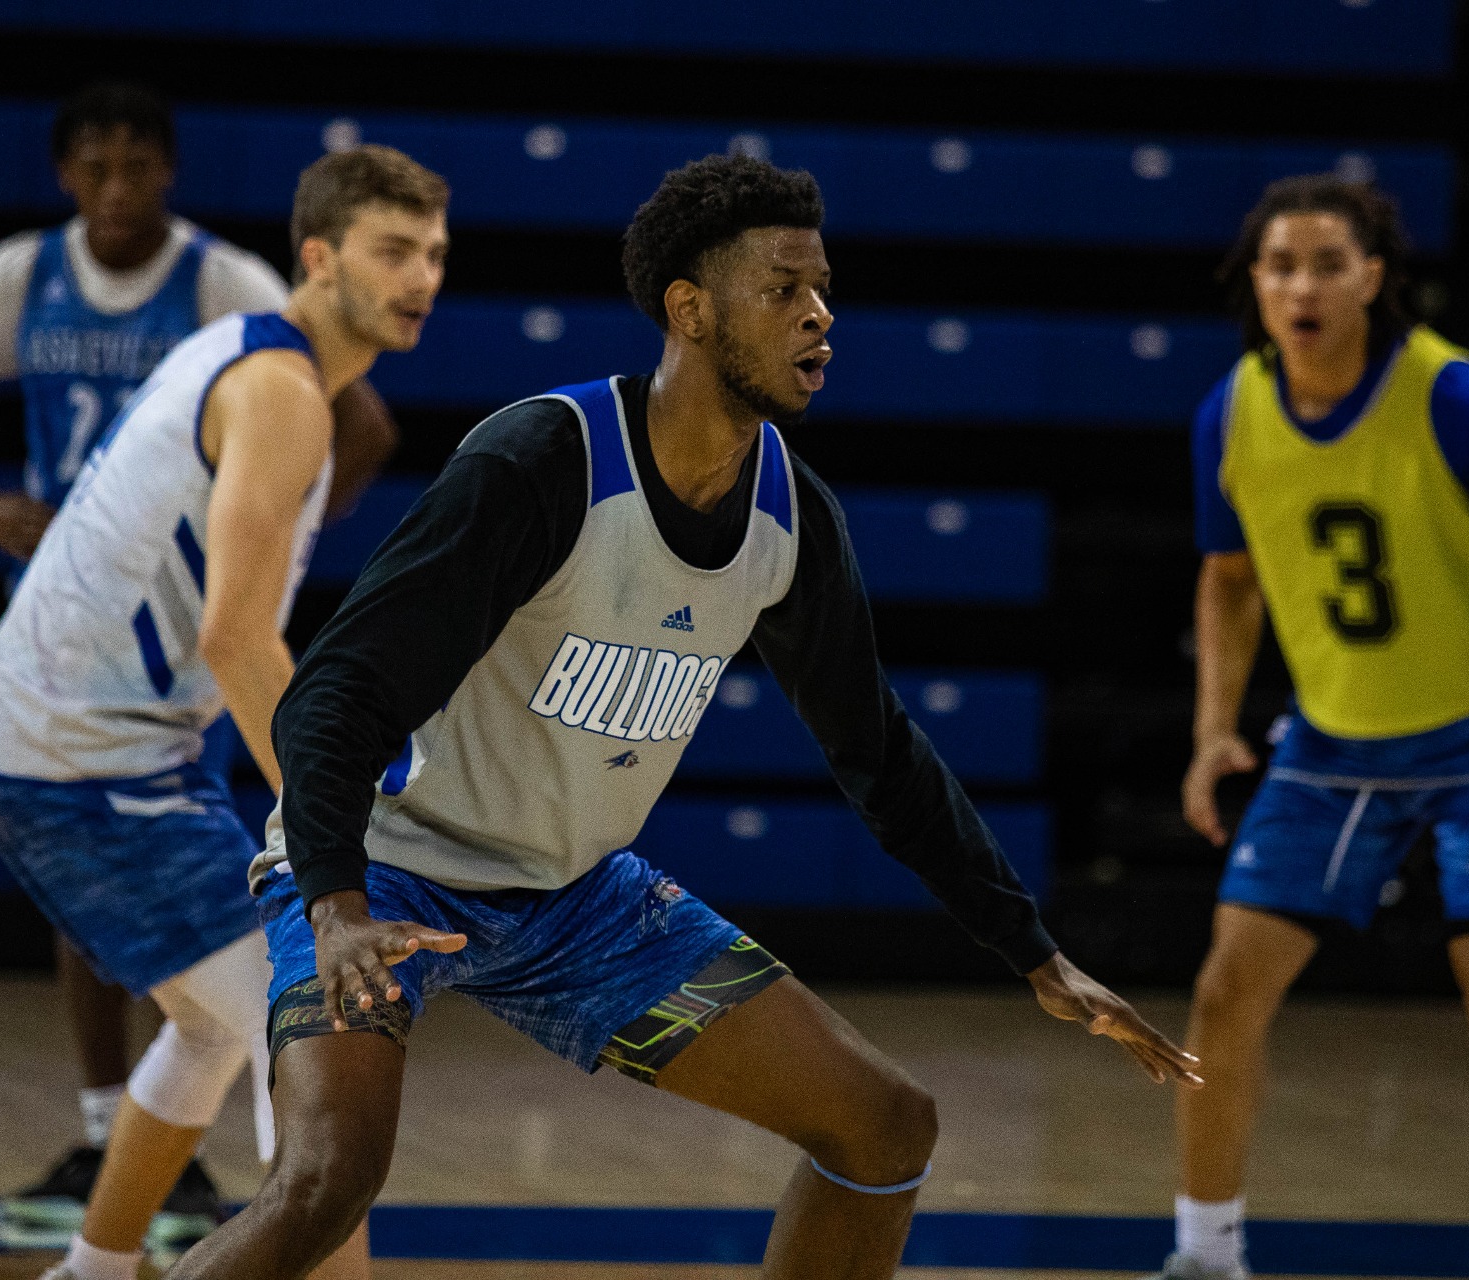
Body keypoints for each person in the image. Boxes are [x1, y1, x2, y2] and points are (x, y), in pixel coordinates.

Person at [163, 153, 1199, 1280]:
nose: (819, 315)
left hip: (573, 895)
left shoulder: (790, 516)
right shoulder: (541, 461)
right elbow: (335, 692)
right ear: (690, 311)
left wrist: (1034, 951)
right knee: (327, 1178)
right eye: (784, 289)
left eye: (823, 290)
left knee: (884, 1123)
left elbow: (880, 755)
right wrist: (333, 900)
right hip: (388, 867)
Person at [0, 81, 397, 1238]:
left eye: (137, 166)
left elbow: (323, 478)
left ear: (170, 174)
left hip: (120, 680)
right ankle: (106, 1132)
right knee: (300, 1008)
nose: (117, 188)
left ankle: (98, 1260)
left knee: (214, 1006)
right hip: (80, 693)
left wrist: (267, 542)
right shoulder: (32, 277)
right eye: (95, 167)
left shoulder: (229, 303)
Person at [1158, 174, 1469, 1280]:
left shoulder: (1447, 391)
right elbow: (1225, 581)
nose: (1300, 284)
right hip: (1328, 746)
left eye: (1325, 262)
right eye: (1279, 264)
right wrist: (1215, 723)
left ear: (1372, 277)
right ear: (1252, 284)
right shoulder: (1230, 408)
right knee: (1224, 987)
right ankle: (1205, 1255)